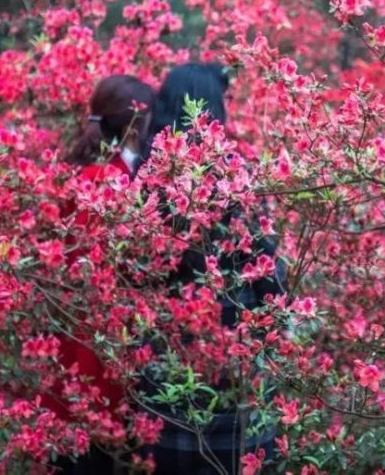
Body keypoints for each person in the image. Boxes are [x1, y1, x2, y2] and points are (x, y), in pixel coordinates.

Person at [141, 63, 287, 475]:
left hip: (167, 367)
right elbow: (270, 281)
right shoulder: (239, 177)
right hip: (234, 360)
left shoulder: (146, 180)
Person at [52, 75, 156, 474]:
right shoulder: (109, 181)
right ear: (135, 126)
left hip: (71, 335)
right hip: (100, 341)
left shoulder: (80, 169)